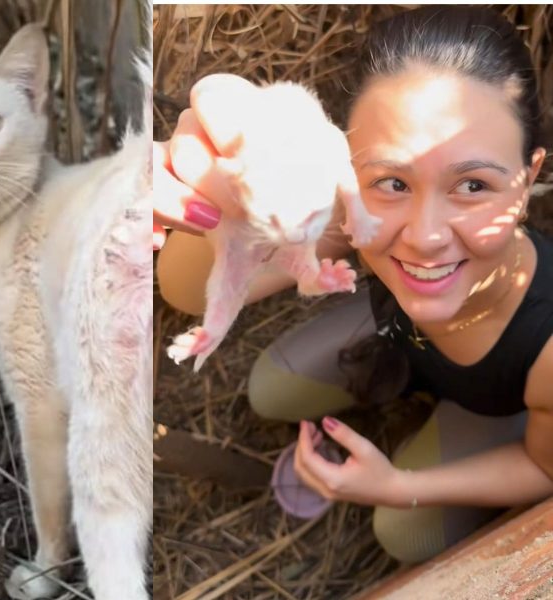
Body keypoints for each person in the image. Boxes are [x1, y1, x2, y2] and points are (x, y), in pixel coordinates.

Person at [154, 5, 553, 563]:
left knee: (403, 532)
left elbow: (542, 466)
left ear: (528, 177)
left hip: (493, 405)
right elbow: (184, 289)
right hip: (398, 343)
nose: (425, 236)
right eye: (393, 180)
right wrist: (230, 195)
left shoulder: (549, 349)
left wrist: (395, 487)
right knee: (270, 391)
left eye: (473, 184)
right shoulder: (352, 214)